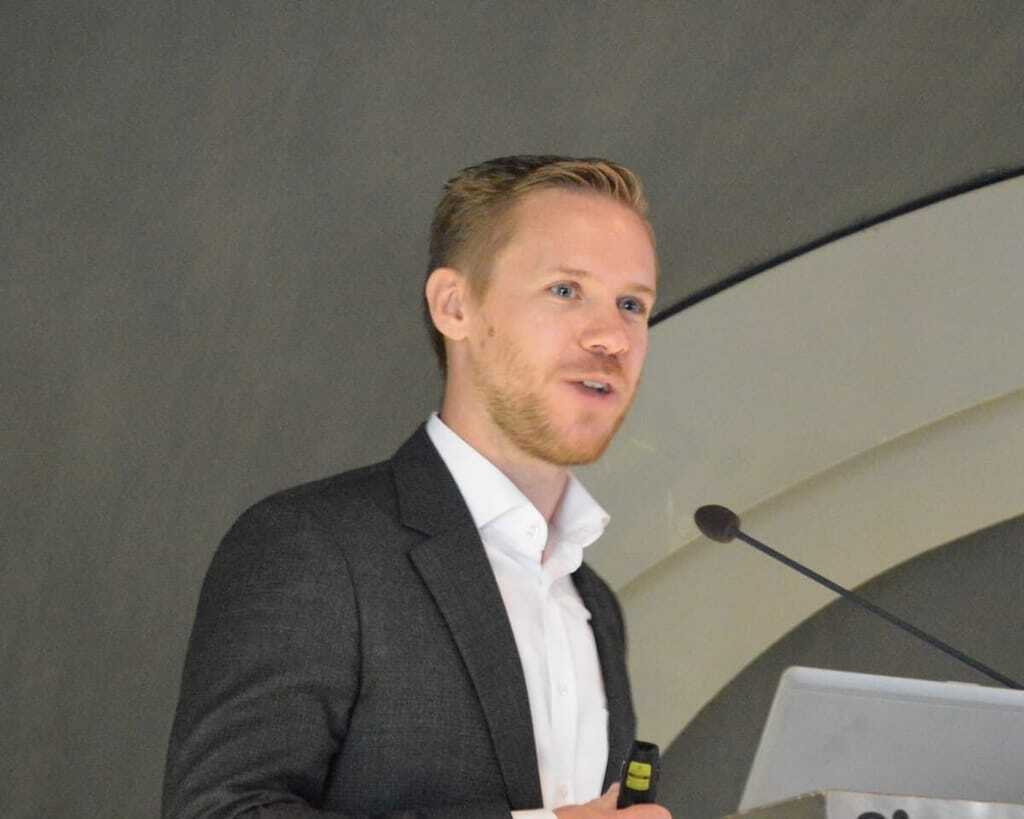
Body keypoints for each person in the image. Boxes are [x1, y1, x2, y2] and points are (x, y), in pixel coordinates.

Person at [163, 155, 669, 819]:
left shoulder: (594, 604)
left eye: (632, 304)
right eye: (565, 290)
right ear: (454, 306)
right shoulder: (315, 548)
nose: (611, 337)